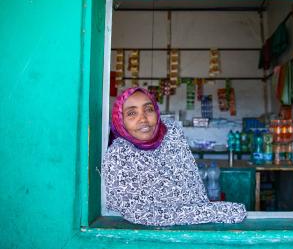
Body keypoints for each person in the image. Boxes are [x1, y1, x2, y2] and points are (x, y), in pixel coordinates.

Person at [102, 87, 247, 226]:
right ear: (120, 120)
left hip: (193, 230)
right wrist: (215, 212)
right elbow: (140, 213)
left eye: (149, 109)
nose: (143, 119)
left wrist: (206, 213)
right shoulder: (119, 155)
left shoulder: (170, 135)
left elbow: (194, 191)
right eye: (131, 113)